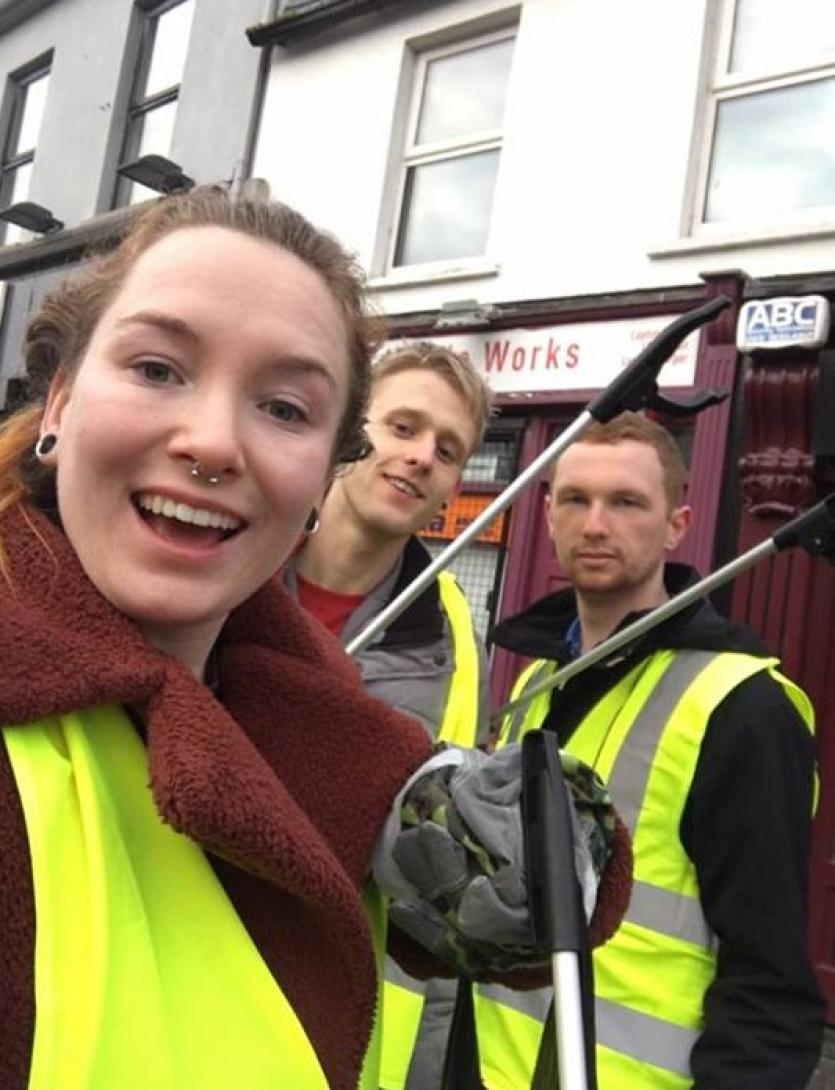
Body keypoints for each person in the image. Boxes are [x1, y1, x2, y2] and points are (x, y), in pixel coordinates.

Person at [0, 187, 631, 1090]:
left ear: (319, 469)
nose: (213, 442)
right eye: (156, 368)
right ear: (58, 400)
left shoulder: (342, 690)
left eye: (285, 408)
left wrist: (489, 846)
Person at [477, 411, 825, 1090]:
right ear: (547, 515)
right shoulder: (535, 684)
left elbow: (768, 979)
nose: (596, 525)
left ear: (677, 525)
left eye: (626, 502)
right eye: (575, 500)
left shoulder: (741, 709)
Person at [284, 341, 494, 1089]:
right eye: (401, 427)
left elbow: (434, 857)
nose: (419, 457)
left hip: (342, 1007)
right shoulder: (223, 566)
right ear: (348, 428)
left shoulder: (455, 640)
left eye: (447, 449)